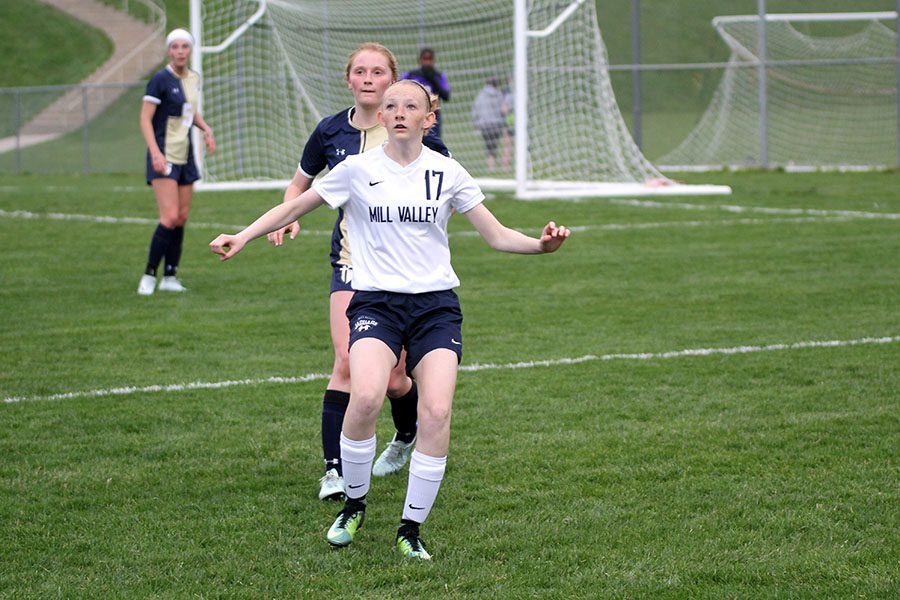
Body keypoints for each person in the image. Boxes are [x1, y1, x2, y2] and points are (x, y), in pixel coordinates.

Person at [209, 79, 570, 560]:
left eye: (411, 106)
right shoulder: (355, 170)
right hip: (375, 302)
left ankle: (410, 529)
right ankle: (353, 505)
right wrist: (244, 234)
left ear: (429, 119)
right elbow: (297, 204)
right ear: (381, 117)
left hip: (435, 307)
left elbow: (498, 235)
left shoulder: (447, 172)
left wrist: (542, 245)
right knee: (364, 397)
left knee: (437, 412)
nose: (399, 111)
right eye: (392, 105)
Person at [267, 43, 450, 502]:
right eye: (360, 72)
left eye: (378, 72)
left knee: (394, 379)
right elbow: (301, 183)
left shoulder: (419, 137)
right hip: (352, 266)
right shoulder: (330, 131)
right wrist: (289, 213)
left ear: (393, 80)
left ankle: (406, 435)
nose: (369, 79)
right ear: (349, 79)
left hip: (408, 278)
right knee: (346, 362)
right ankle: (334, 470)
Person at [137, 28, 215, 296]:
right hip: (164, 155)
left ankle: (170, 276)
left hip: (185, 156)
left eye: (185, 46)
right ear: (169, 51)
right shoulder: (160, 80)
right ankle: (149, 274)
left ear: (190, 49)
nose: (180, 51)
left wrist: (206, 129)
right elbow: (145, 118)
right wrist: (155, 153)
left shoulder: (194, 78)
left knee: (181, 217)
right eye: (175, 47)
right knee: (168, 217)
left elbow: (189, 111)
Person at [401, 48, 450, 138]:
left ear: (433, 60)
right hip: (413, 114)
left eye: (429, 59)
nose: (427, 62)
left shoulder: (439, 76)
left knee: (433, 143)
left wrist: (433, 80)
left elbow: (446, 96)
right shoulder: (410, 75)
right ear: (420, 60)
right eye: (425, 59)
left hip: (432, 114)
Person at [471, 77, 511, 172]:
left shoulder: (481, 95)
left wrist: (475, 123)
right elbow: (503, 109)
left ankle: (491, 168)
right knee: (495, 145)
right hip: (497, 124)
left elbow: (476, 109)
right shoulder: (500, 95)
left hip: (485, 124)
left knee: (489, 147)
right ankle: (500, 167)